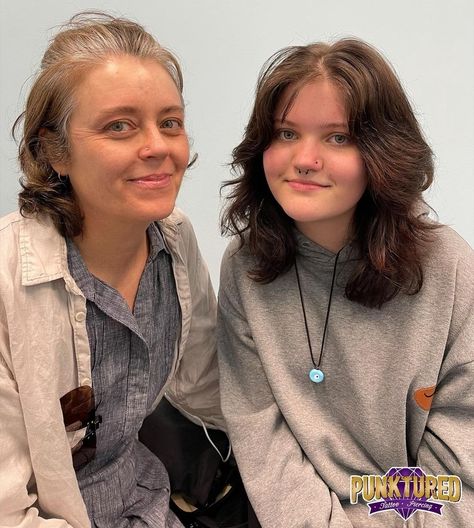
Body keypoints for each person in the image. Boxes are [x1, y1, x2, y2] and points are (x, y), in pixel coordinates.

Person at [218, 38, 473, 527]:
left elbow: (458, 479)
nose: (305, 158)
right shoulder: (244, 266)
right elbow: (264, 447)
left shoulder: (450, 268)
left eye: (337, 138)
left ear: (383, 153)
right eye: (286, 133)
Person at [0, 12, 223, 527]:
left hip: (148, 501)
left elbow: (208, 384)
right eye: (118, 126)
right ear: (55, 150)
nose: (157, 147)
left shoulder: (175, 238)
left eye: (170, 122)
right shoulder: (9, 280)